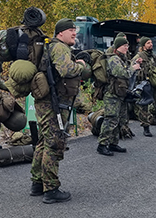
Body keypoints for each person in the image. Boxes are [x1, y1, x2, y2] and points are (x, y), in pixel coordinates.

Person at [30, 18, 91, 204]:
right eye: (70, 30)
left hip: (47, 102)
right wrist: (81, 65)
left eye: (75, 30)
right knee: (54, 144)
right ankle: (51, 189)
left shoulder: (52, 47)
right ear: (60, 33)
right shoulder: (59, 48)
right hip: (53, 103)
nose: (75, 33)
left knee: (43, 141)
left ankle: (37, 183)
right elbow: (66, 70)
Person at [96, 36, 141, 156]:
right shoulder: (114, 59)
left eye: (127, 45)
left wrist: (134, 64)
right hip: (112, 94)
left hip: (120, 93)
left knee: (118, 120)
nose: (126, 48)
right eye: (124, 46)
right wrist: (133, 68)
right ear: (117, 47)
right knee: (110, 119)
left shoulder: (122, 59)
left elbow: (126, 70)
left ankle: (113, 143)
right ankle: (102, 144)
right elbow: (121, 73)